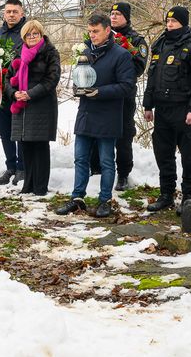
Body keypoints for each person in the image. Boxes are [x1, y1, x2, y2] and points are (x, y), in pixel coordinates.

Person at [55, 14, 135, 218]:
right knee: (80, 159)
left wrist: (99, 92)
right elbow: (78, 79)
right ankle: (77, 198)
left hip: (108, 115)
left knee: (107, 161)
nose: (92, 35)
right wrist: (77, 89)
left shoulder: (121, 55)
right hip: (86, 113)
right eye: (90, 31)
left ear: (108, 30)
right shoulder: (85, 53)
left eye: (96, 31)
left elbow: (127, 87)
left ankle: (105, 200)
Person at [143, 6, 191, 213]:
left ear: (183, 23)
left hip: (184, 110)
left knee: (188, 155)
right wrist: (147, 104)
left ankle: (188, 196)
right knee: (163, 154)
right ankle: (166, 195)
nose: (169, 25)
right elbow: (152, 77)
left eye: (174, 22)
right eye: (168, 21)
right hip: (162, 109)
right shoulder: (160, 44)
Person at [88, 1, 147, 189]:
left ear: (127, 17)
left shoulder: (136, 40)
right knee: (96, 131)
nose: (113, 16)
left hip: (123, 96)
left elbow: (139, 67)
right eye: (112, 14)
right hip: (99, 93)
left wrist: (124, 53)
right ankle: (96, 170)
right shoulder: (98, 35)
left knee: (123, 135)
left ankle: (122, 174)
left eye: (118, 14)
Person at [7, 20, 61, 197]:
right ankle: (28, 185)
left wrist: (30, 93)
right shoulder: (18, 52)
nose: (32, 37)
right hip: (21, 106)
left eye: (35, 34)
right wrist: (14, 93)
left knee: (39, 146)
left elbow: (51, 79)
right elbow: (7, 78)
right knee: (25, 146)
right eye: (28, 34)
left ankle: (40, 187)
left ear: (41, 34)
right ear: (24, 36)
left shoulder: (49, 52)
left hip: (41, 105)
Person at [0, 0, 27, 185]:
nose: (11, 14)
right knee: (4, 132)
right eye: (8, 11)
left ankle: (22, 168)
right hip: (0, 94)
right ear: (4, 14)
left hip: (19, 92)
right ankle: (10, 167)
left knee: (19, 131)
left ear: (22, 13)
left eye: (15, 11)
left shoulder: (27, 33)